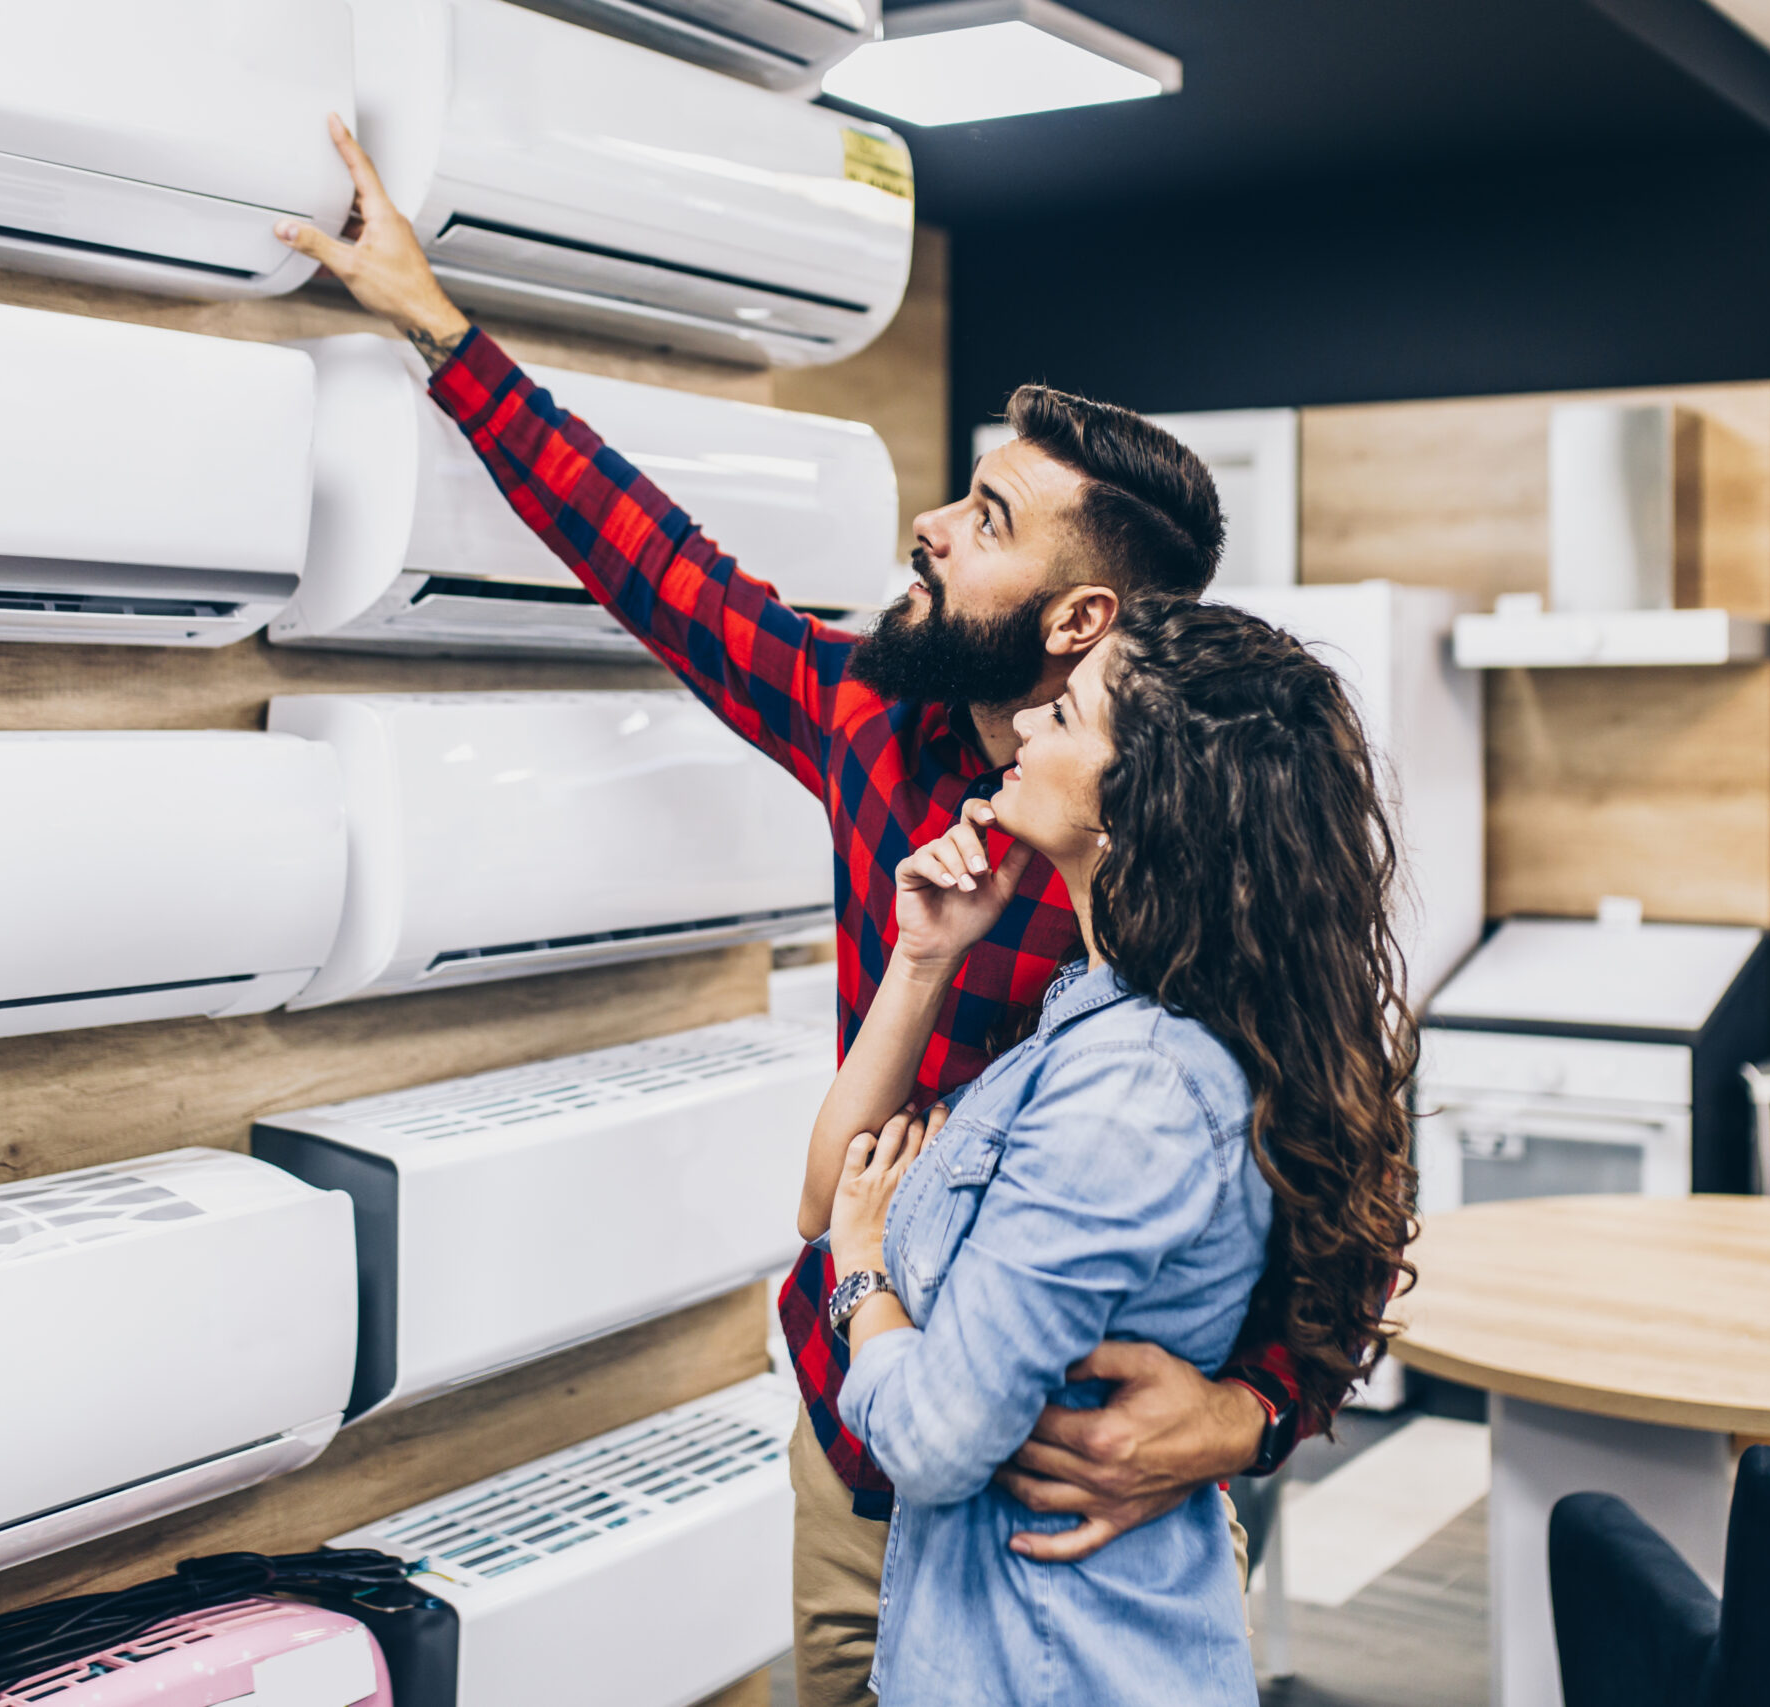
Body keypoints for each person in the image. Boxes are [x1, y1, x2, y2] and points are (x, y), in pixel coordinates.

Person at [278, 119, 1324, 1706]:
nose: (932, 525)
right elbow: (658, 563)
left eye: (985, 518)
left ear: (1081, 617)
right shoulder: (873, 726)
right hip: (858, 1463)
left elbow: (1348, 1203)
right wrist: (434, 324)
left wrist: (1249, 1413)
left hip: (1070, 1520)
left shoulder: (1187, 891)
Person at [811, 596, 1420, 1704]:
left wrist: (862, 1281)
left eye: (1070, 710)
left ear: (1134, 809)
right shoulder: (1110, 1011)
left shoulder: (1131, 1086)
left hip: (1059, 1659)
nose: (1031, 723)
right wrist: (923, 961)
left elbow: (940, 1435)